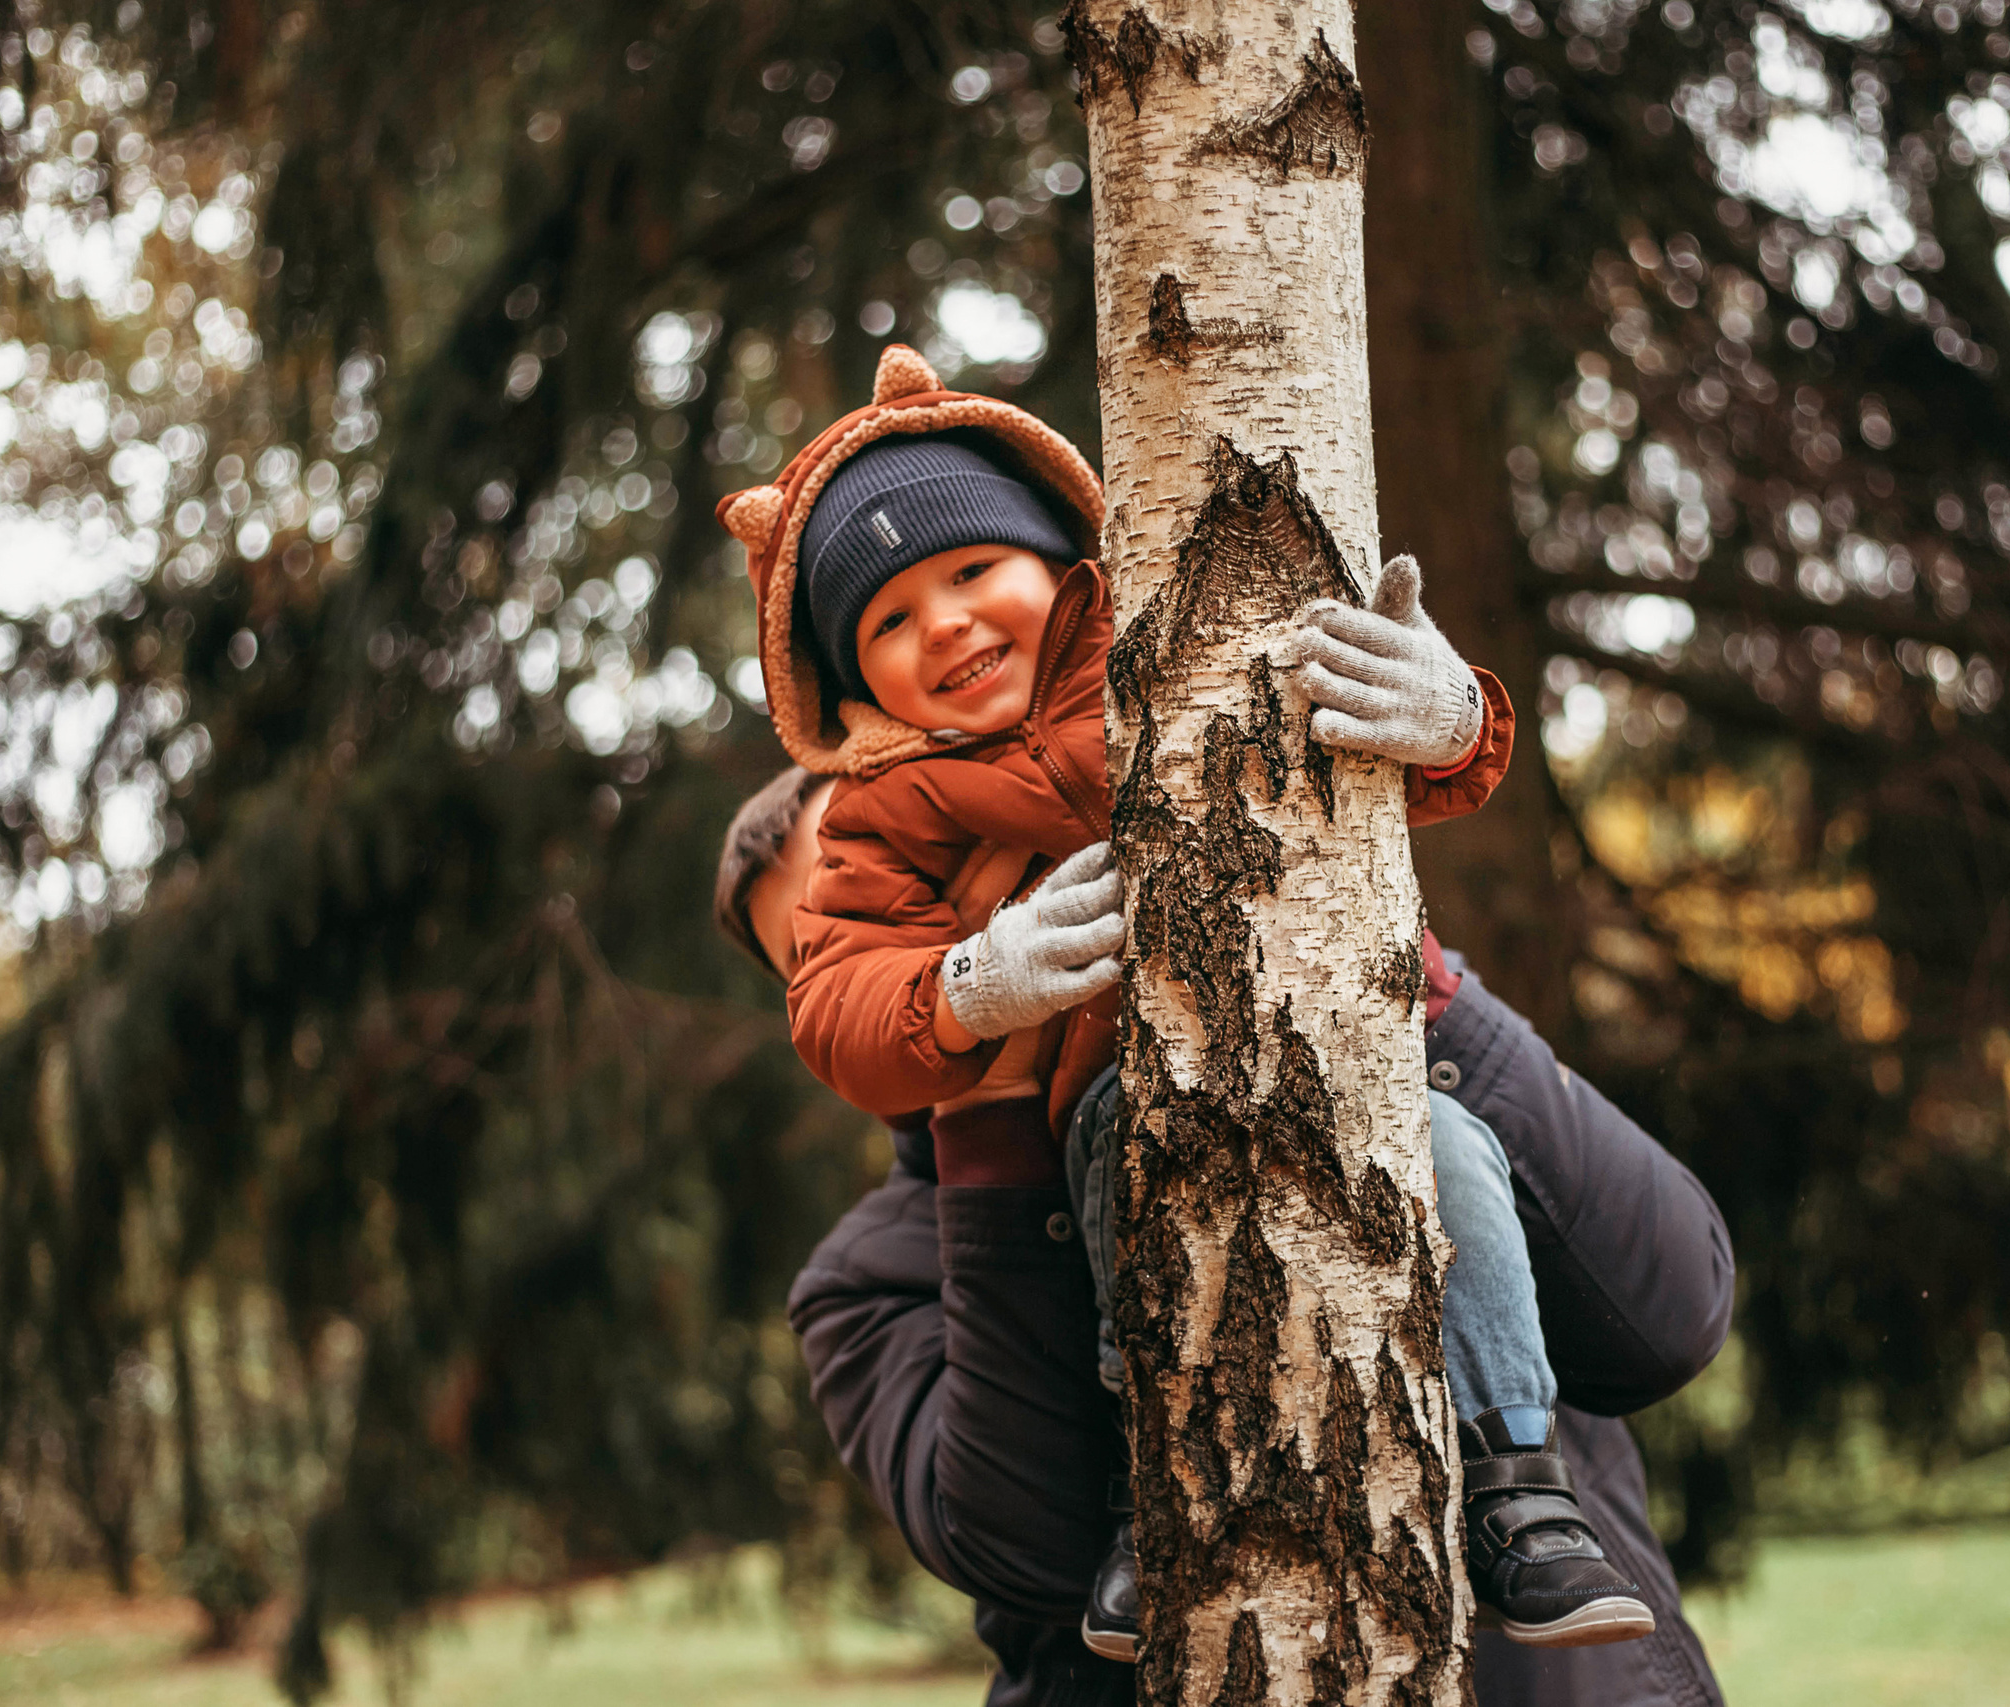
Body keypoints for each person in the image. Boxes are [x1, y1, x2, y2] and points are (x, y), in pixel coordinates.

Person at [708, 341, 1656, 1654]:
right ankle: (1157, 1514)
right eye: (887, 623)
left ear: (1066, 562)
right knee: (1141, 1201)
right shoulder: (882, 818)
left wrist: (1452, 724)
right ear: (858, 687)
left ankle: (1521, 1478)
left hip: (1333, 1040)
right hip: (1117, 1081)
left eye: (974, 571)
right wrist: (972, 981)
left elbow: (1337, 767)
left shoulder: (1170, 648)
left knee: (1456, 1161)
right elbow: (853, 997)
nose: (945, 624)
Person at [717, 766, 1735, 1706]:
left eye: (931, 875)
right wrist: (986, 1112)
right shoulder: (869, 1278)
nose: (933, 928)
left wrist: (1392, 970)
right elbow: (1029, 1555)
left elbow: (1667, 1313)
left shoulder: (1367, 1030)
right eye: (838, 938)